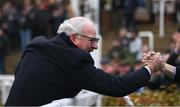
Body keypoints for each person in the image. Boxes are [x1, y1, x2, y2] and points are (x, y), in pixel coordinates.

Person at [5, 17, 162, 106]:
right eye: (92, 40)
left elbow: (20, 73)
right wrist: (149, 69)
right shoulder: (75, 60)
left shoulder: (36, 45)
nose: (96, 46)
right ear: (74, 38)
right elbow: (117, 86)